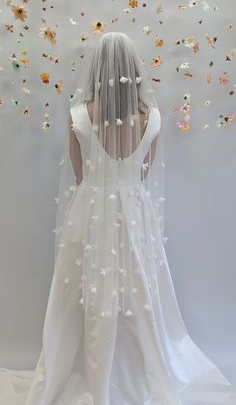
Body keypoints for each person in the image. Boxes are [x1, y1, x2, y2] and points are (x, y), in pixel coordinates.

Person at [0, 32, 236, 405]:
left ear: (97, 70)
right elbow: (143, 170)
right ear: (133, 71)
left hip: (92, 212)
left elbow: (80, 175)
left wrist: (103, 180)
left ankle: (82, 367)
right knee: (137, 287)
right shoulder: (152, 118)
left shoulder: (80, 116)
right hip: (134, 212)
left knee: (83, 290)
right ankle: (134, 367)